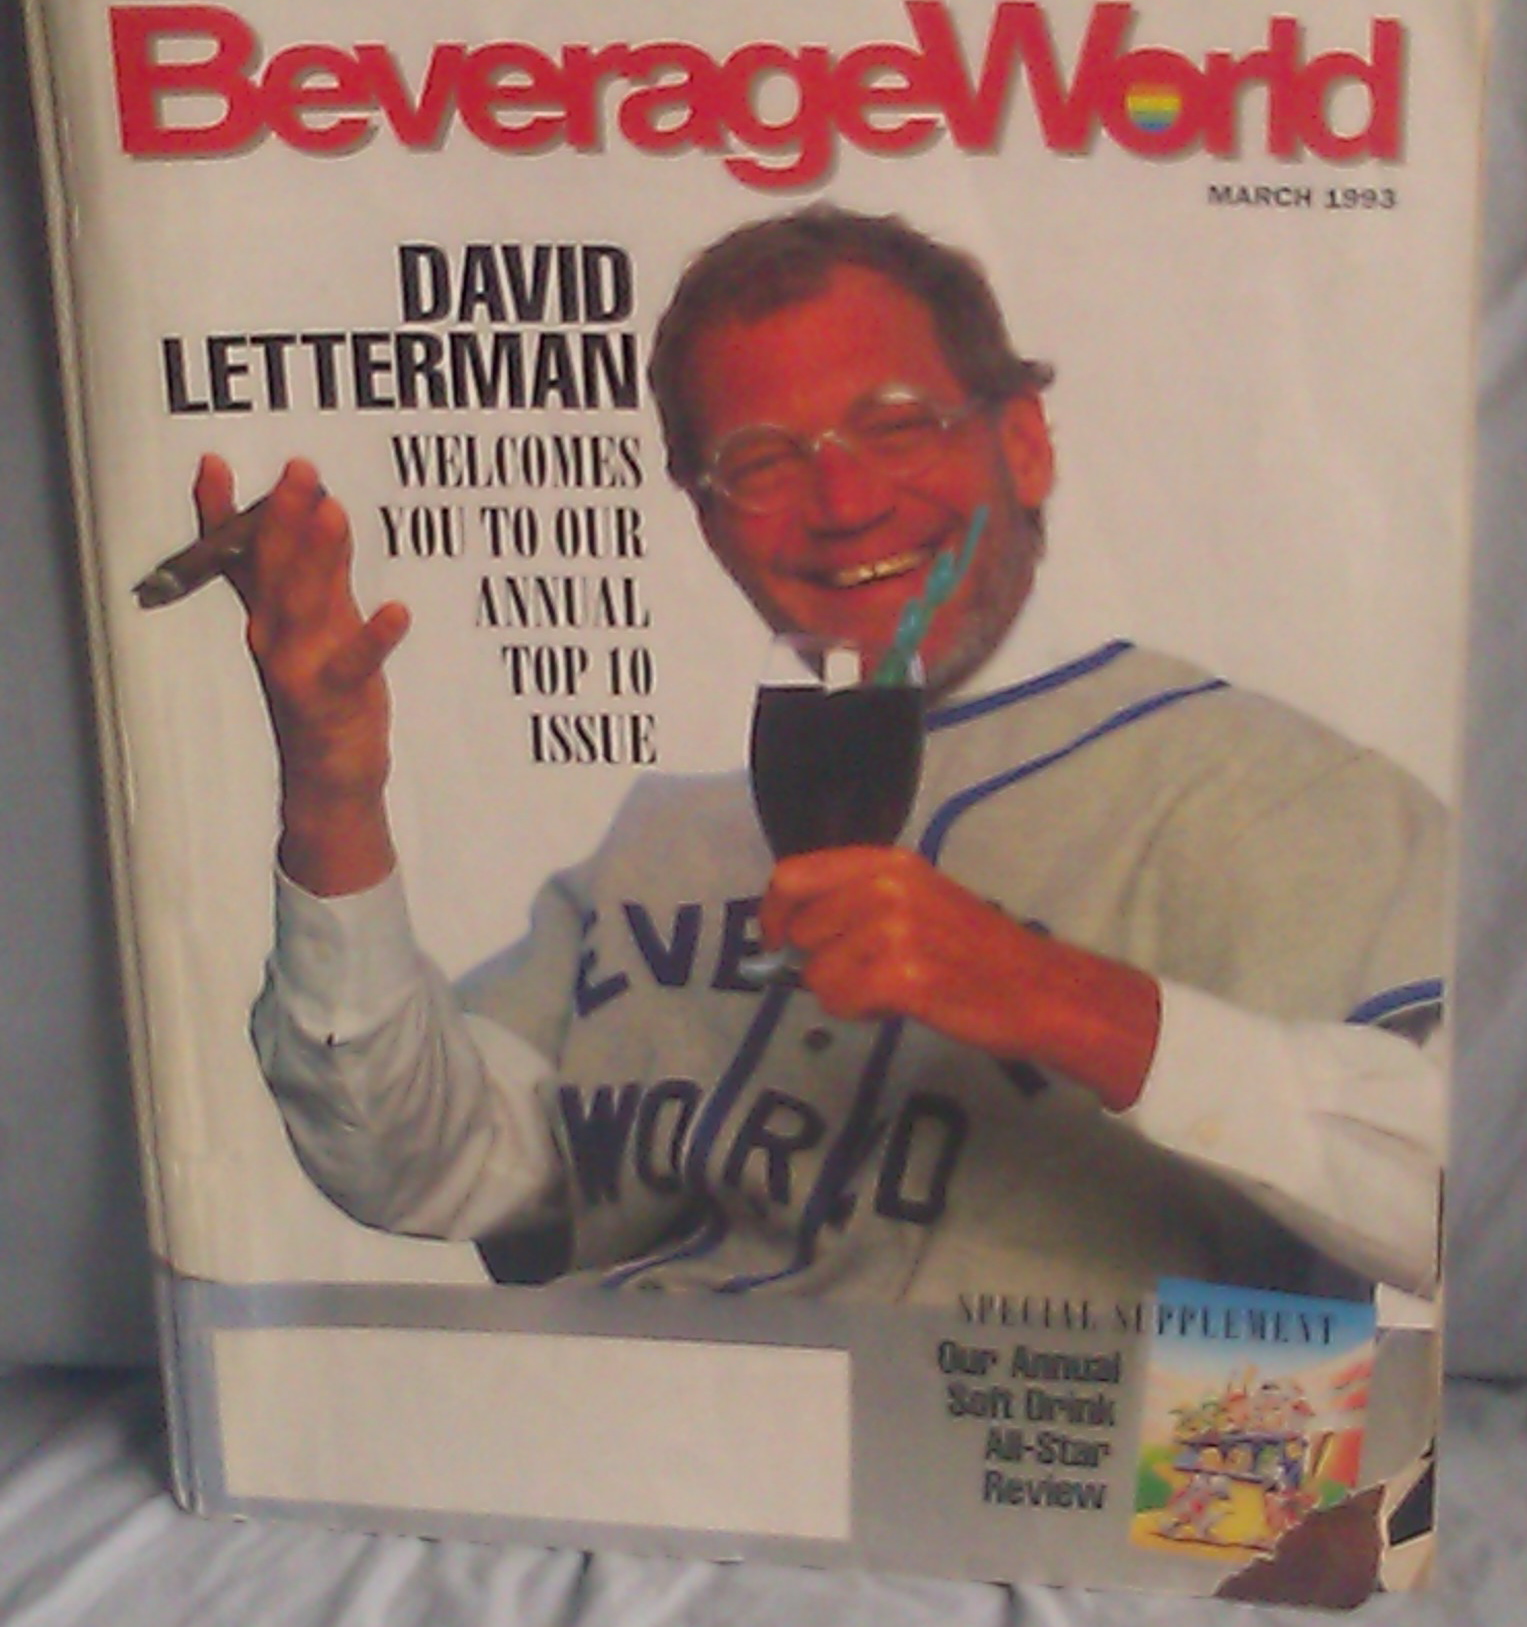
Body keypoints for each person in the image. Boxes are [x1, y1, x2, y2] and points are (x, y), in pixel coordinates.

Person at [212, 205, 1445, 1304]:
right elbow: (410, 1165)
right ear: (706, 518)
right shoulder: (665, 840)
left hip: (1040, 1455)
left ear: (1024, 443)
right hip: (640, 1437)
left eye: (898, 428)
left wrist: (1060, 998)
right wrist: (332, 788)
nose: (845, 505)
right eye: (760, 462)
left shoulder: (1274, 787)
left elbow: (1452, 1201)